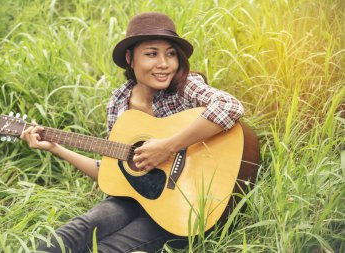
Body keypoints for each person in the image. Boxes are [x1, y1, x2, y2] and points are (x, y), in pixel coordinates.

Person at [21, 12, 244, 253]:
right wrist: (56, 147)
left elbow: (230, 107)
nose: (164, 64)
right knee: (78, 229)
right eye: (151, 54)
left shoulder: (185, 86)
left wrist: (167, 146)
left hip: (185, 204)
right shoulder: (119, 103)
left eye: (171, 54)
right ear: (130, 58)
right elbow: (113, 171)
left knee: (108, 248)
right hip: (133, 199)